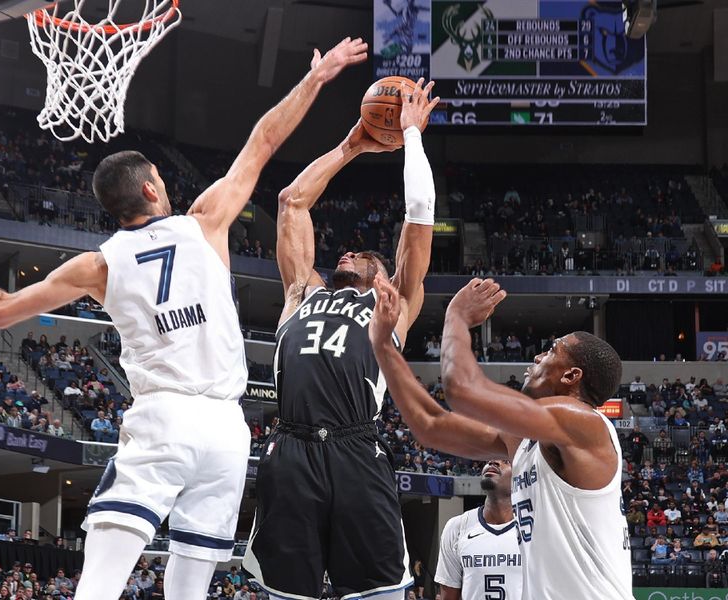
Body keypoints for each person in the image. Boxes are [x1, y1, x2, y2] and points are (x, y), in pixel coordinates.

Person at [0, 36, 368, 600]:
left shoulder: (97, 265)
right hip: (225, 429)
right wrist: (317, 78)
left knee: (101, 577)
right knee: (189, 586)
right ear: (150, 187)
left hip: (163, 418)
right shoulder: (204, 222)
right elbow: (263, 141)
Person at [243, 78, 439, 600]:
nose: (347, 253)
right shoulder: (301, 292)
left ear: (381, 271)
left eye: (361, 253)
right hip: (291, 446)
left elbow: (419, 219)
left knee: (378, 592)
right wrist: (353, 143)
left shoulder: (392, 302)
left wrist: (412, 136)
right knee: (286, 592)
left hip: (356, 446)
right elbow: (291, 202)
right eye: (345, 253)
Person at [367, 276, 632, 599]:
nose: (537, 358)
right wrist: (384, 348)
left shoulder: (584, 423)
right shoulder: (526, 439)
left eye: (551, 350)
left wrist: (456, 318)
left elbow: (462, 390)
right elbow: (430, 425)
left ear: (571, 375)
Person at [435, 460, 522, 600]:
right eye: (489, 458)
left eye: (505, 461)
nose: (493, 462)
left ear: (521, 474)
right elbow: (448, 596)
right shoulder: (457, 526)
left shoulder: (535, 527)